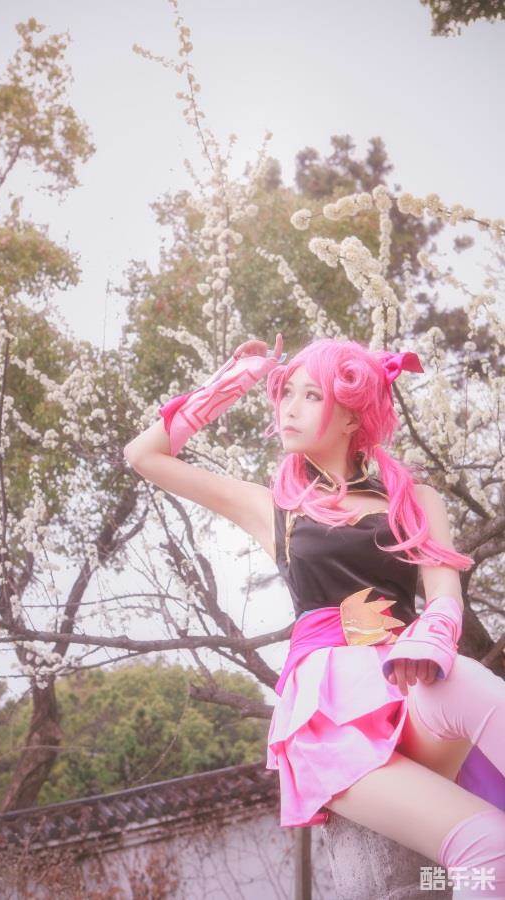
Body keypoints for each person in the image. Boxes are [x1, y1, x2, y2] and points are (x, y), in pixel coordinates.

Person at [124, 333, 505, 898]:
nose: (290, 408)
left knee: (470, 679)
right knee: (492, 850)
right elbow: (144, 456)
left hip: (405, 681)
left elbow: (445, 594)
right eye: (287, 393)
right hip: (329, 714)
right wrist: (234, 381)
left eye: (312, 395)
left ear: (352, 415)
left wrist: (434, 633)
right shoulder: (275, 508)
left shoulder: (414, 501)